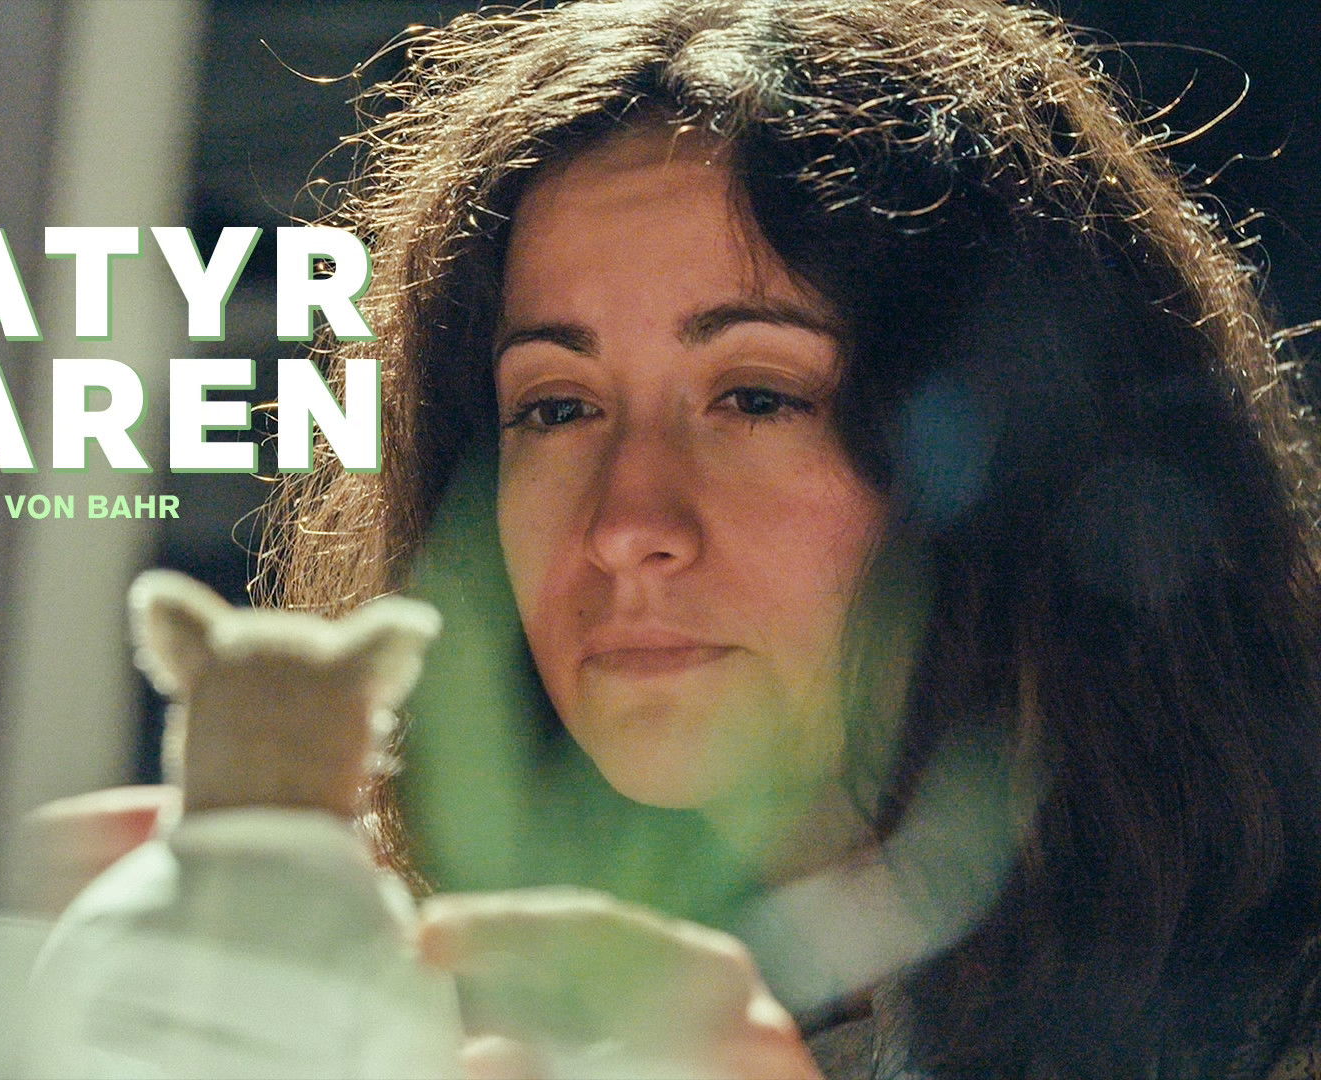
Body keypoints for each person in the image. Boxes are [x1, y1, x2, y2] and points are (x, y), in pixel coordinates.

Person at [248, 0, 1321, 1077]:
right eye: (558, 408)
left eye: (757, 397)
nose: (627, 527)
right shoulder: (373, 995)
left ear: (1017, 452)